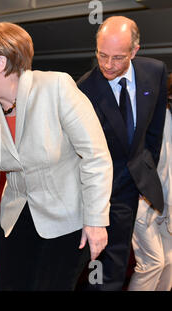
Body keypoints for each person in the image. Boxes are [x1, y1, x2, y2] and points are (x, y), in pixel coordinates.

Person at [0, 22, 113, 291]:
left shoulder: (56, 87)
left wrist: (97, 221)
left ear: (0, 63)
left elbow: (96, 156)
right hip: (16, 221)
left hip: (68, 221)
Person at [77, 16, 168, 290]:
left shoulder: (155, 71)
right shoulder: (83, 89)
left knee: (116, 268)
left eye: (117, 58)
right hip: (99, 191)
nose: (107, 64)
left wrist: (144, 171)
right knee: (97, 270)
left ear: (134, 51)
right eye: (102, 55)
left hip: (130, 186)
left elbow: (154, 130)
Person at [128, 73, 172, 291]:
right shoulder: (157, 117)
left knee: (170, 261)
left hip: (165, 203)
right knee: (152, 263)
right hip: (145, 200)